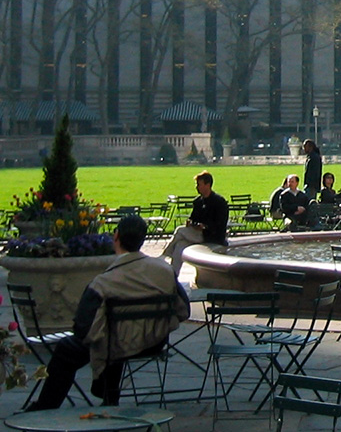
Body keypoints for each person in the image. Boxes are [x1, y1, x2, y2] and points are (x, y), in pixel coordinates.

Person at [28, 214, 190, 411]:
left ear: (116, 237)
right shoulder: (164, 271)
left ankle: (45, 407)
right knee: (117, 334)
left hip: (116, 344)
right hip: (153, 342)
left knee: (75, 346)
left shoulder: (105, 281)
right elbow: (184, 310)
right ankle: (109, 397)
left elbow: (83, 328)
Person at [160, 170, 229, 276]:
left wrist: (205, 227)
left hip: (212, 236)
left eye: (199, 184)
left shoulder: (219, 202)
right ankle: (172, 276)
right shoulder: (198, 202)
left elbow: (221, 224)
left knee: (180, 230)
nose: (196, 187)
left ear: (207, 185)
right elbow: (193, 218)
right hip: (198, 234)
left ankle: (164, 255)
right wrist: (191, 223)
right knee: (179, 245)